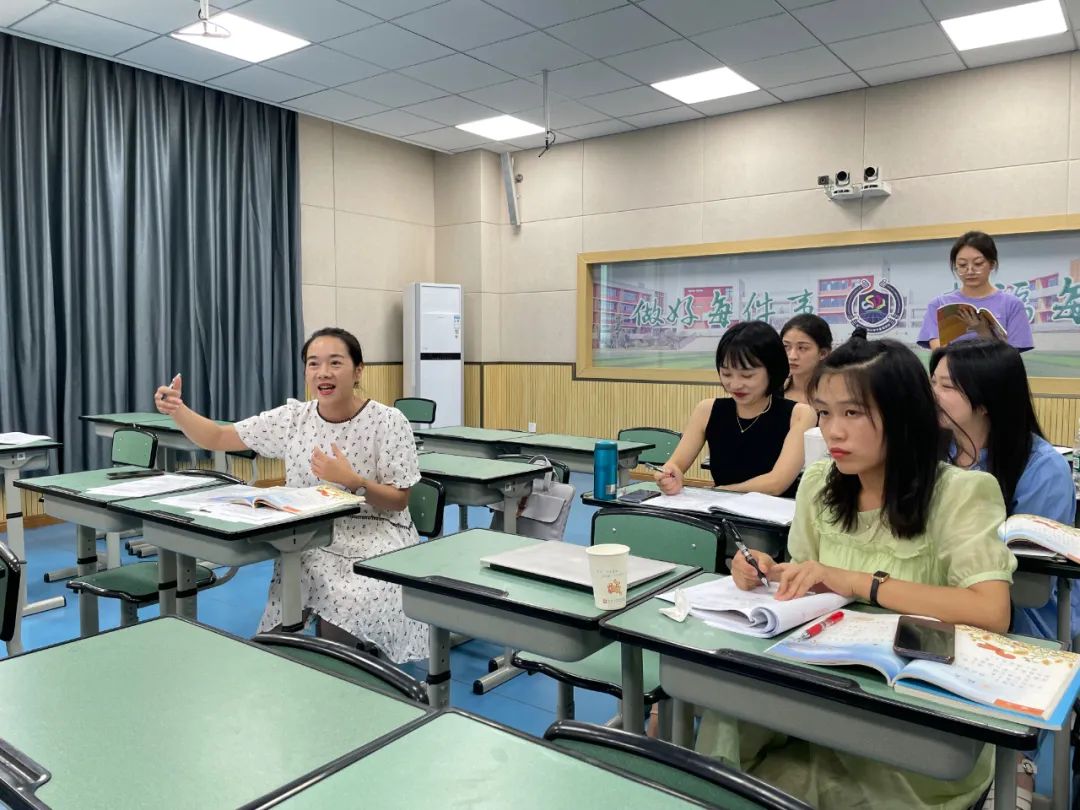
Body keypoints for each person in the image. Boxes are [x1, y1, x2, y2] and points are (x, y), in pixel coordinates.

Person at [708, 335, 1016, 810]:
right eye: (825, 413)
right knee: (721, 724)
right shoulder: (818, 484)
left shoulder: (962, 493)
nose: (833, 432)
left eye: (852, 413)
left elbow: (991, 610)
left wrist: (860, 583)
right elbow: (806, 580)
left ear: (902, 414)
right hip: (815, 695)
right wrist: (767, 572)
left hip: (910, 727)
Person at [154, 327, 427, 663]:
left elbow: (399, 499)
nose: (323, 373)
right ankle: (305, 657)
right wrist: (178, 410)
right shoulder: (293, 418)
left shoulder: (388, 421)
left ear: (358, 371)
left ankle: (351, 668)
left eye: (335, 363)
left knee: (352, 594)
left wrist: (354, 482)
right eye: (313, 364)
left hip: (376, 533)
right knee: (302, 576)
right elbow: (219, 437)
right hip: (313, 534)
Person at [931, 339, 1076, 639]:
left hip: (1020, 615)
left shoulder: (1042, 467)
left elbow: (1031, 580)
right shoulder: (935, 450)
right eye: (932, 382)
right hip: (939, 599)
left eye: (946, 387)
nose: (931, 395)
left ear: (985, 401)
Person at [656, 321, 816, 498]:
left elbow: (776, 484)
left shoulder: (800, 414)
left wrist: (720, 491)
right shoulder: (707, 410)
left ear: (772, 370)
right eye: (726, 374)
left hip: (775, 519)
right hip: (720, 514)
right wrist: (669, 475)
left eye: (747, 375)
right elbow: (675, 465)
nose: (735, 384)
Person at [917, 230, 1034, 351]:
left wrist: (983, 332)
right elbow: (939, 354)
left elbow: (1012, 356)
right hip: (953, 369)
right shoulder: (938, 305)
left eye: (978, 264)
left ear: (992, 264)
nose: (970, 271)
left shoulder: (1012, 304)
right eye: (962, 265)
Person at [781, 314, 832, 405]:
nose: (792, 356)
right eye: (786, 346)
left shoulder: (836, 395)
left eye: (802, 348)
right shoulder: (770, 394)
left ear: (823, 353)